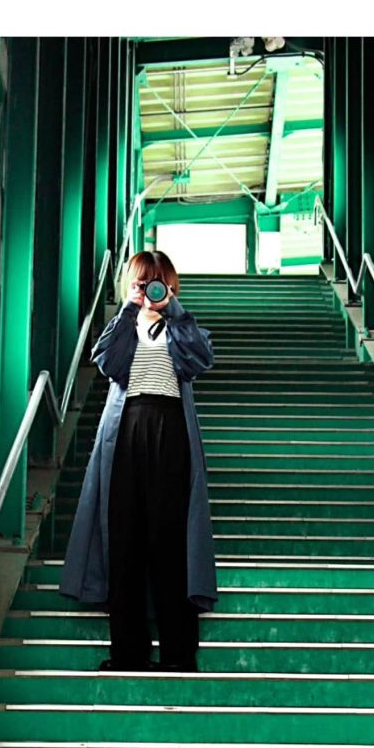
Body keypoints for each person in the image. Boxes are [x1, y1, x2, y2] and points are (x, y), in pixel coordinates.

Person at [58, 250, 218, 673]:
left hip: (171, 430)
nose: (152, 289)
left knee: (171, 542)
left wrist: (174, 311)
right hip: (126, 429)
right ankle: (128, 651)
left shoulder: (182, 327)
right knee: (125, 540)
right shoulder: (123, 326)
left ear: (171, 284)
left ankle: (178, 653)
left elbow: (200, 359)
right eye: (144, 281)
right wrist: (130, 309)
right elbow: (107, 362)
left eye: (159, 281)